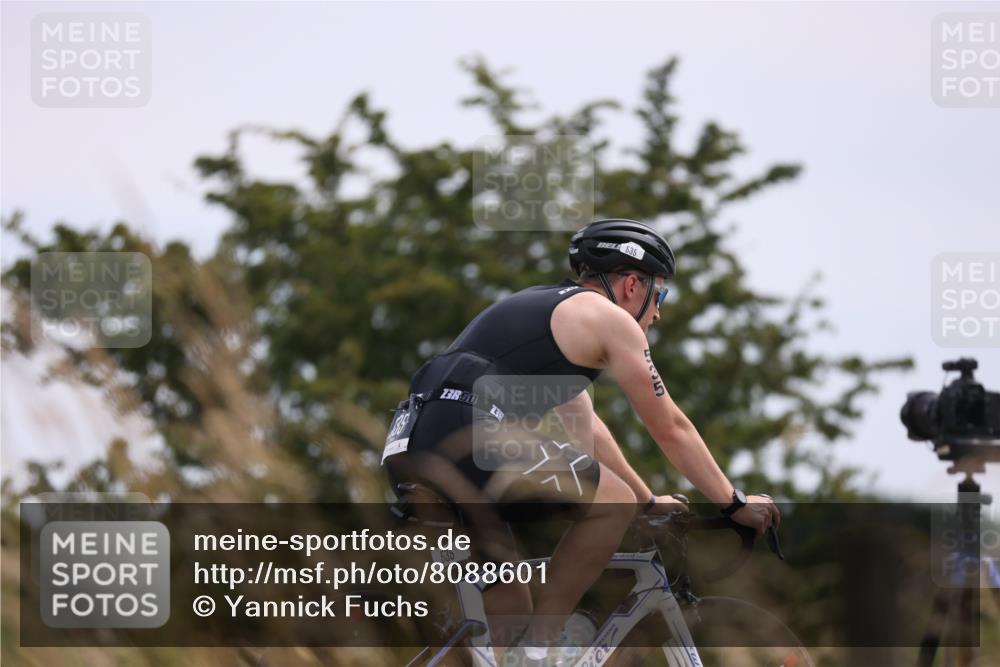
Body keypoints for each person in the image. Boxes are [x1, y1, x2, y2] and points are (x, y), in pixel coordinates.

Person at [382, 218, 780, 665]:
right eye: (660, 294)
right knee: (609, 502)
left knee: (508, 609)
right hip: (467, 430)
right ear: (633, 284)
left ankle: (517, 651)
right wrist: (732, 501)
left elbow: (587, 431)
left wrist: (645, 500)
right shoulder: (610, 320)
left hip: (410, 440)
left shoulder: (549, 312)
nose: (658, 312)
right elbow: (670, 426)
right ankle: (541, 649)